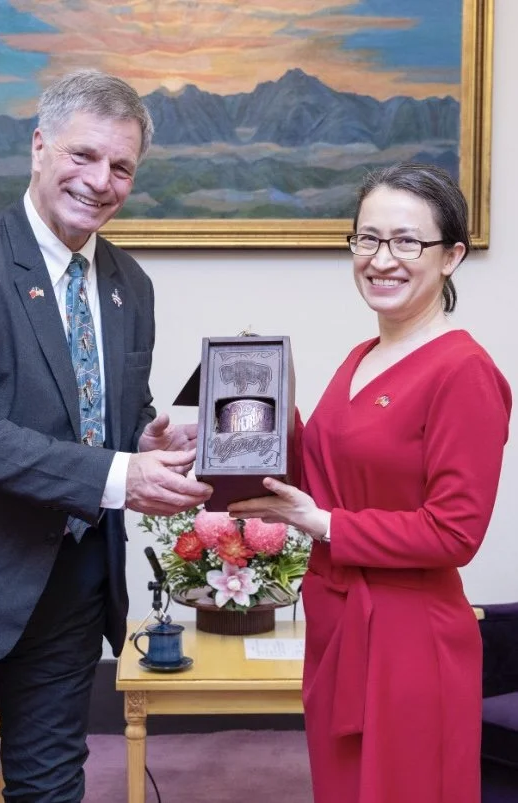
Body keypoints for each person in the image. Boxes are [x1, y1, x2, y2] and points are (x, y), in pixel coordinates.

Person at [0, 69, 212, 802]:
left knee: (51, 787)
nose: (100, 181)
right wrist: (118, 477)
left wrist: (146, 443)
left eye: (120, 167)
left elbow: (106, 416)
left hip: (72, 581)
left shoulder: (128, 283)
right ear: (40, 146)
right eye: (84, 155)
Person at [229, 163, 512, 803]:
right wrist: (242, 428)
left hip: (410, 640)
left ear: (452, 257)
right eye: (367, 239)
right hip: (340, 625)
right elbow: (325, 472)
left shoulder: (463, 371)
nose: (382, 260)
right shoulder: (362, 356)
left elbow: (454, 532)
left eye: (408, 241)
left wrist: (326, 526)